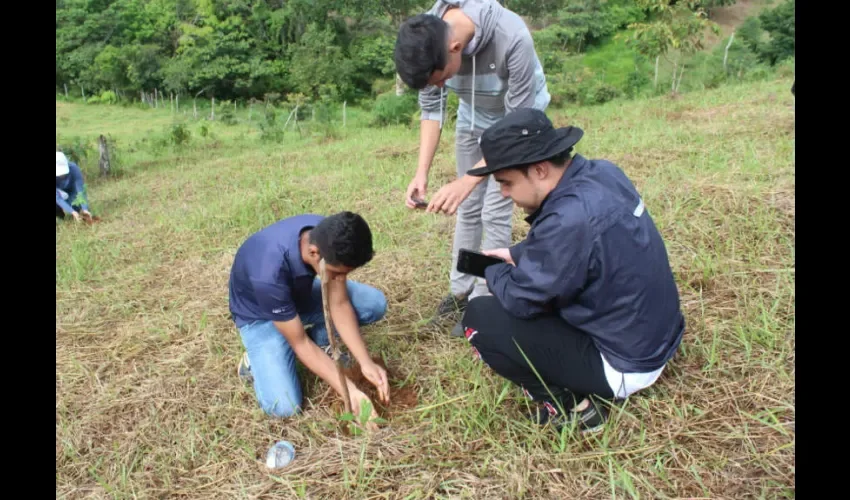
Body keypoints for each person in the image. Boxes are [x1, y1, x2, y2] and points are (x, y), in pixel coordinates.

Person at [458, 108, 686, 433]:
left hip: (624, 363)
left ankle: (574, 410)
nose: (504, 194)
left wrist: (493, 270)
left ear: (538, 170)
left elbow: (522, 301)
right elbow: (584, 246)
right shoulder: (603, 173)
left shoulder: (568, 219)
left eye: (506, 182)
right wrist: (515, 254)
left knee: (481, 316)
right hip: (658, 338)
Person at [394, 0, 551, 336]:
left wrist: (469, 179)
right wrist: (421, 173)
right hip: (472, 119)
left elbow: (516, 126)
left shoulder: (512, 37)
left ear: (456, 48)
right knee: (468, 209)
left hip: (518, 122)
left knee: (494, 209)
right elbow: (432, 112)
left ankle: (485, 297)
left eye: (441, 80)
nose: (440, 86)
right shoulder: (429, 36)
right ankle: (460, 291)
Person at [228, 211, 390, 419]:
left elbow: (339, 303)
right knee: (284, 407)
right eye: (337, 273)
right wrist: (349, 391)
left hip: (296, 294)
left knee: (372, 304)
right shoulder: (268, 273)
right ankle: (254, 361)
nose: (340, 279)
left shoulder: (327, 235)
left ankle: (322, 344)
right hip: (261, 315)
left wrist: (366, 362)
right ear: (314, 253)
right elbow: (301, 343)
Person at [56, 152, 92, 221]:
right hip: (59, 192)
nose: (61, 175)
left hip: (72, 191)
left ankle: (77, 209)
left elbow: (80, 190)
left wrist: (85, 209)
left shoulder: (74, 169)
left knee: (76, 206)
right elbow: (57, 197)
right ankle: (60, 216)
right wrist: (72, 212)